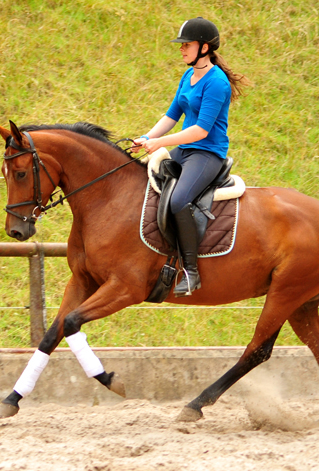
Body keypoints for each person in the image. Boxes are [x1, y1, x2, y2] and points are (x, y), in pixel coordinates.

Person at [132, 17, 249, 297]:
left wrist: (160, 142)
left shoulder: (217, 82)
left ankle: (191, 271)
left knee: (180, 199)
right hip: (183, 150)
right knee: (144, 180)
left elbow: (200, 130)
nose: (182, 49)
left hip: (207, 153)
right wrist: (146, 138)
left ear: (205, 47)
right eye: (182, 45)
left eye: (187, 45)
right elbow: (172, 115)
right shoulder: (188, 76)